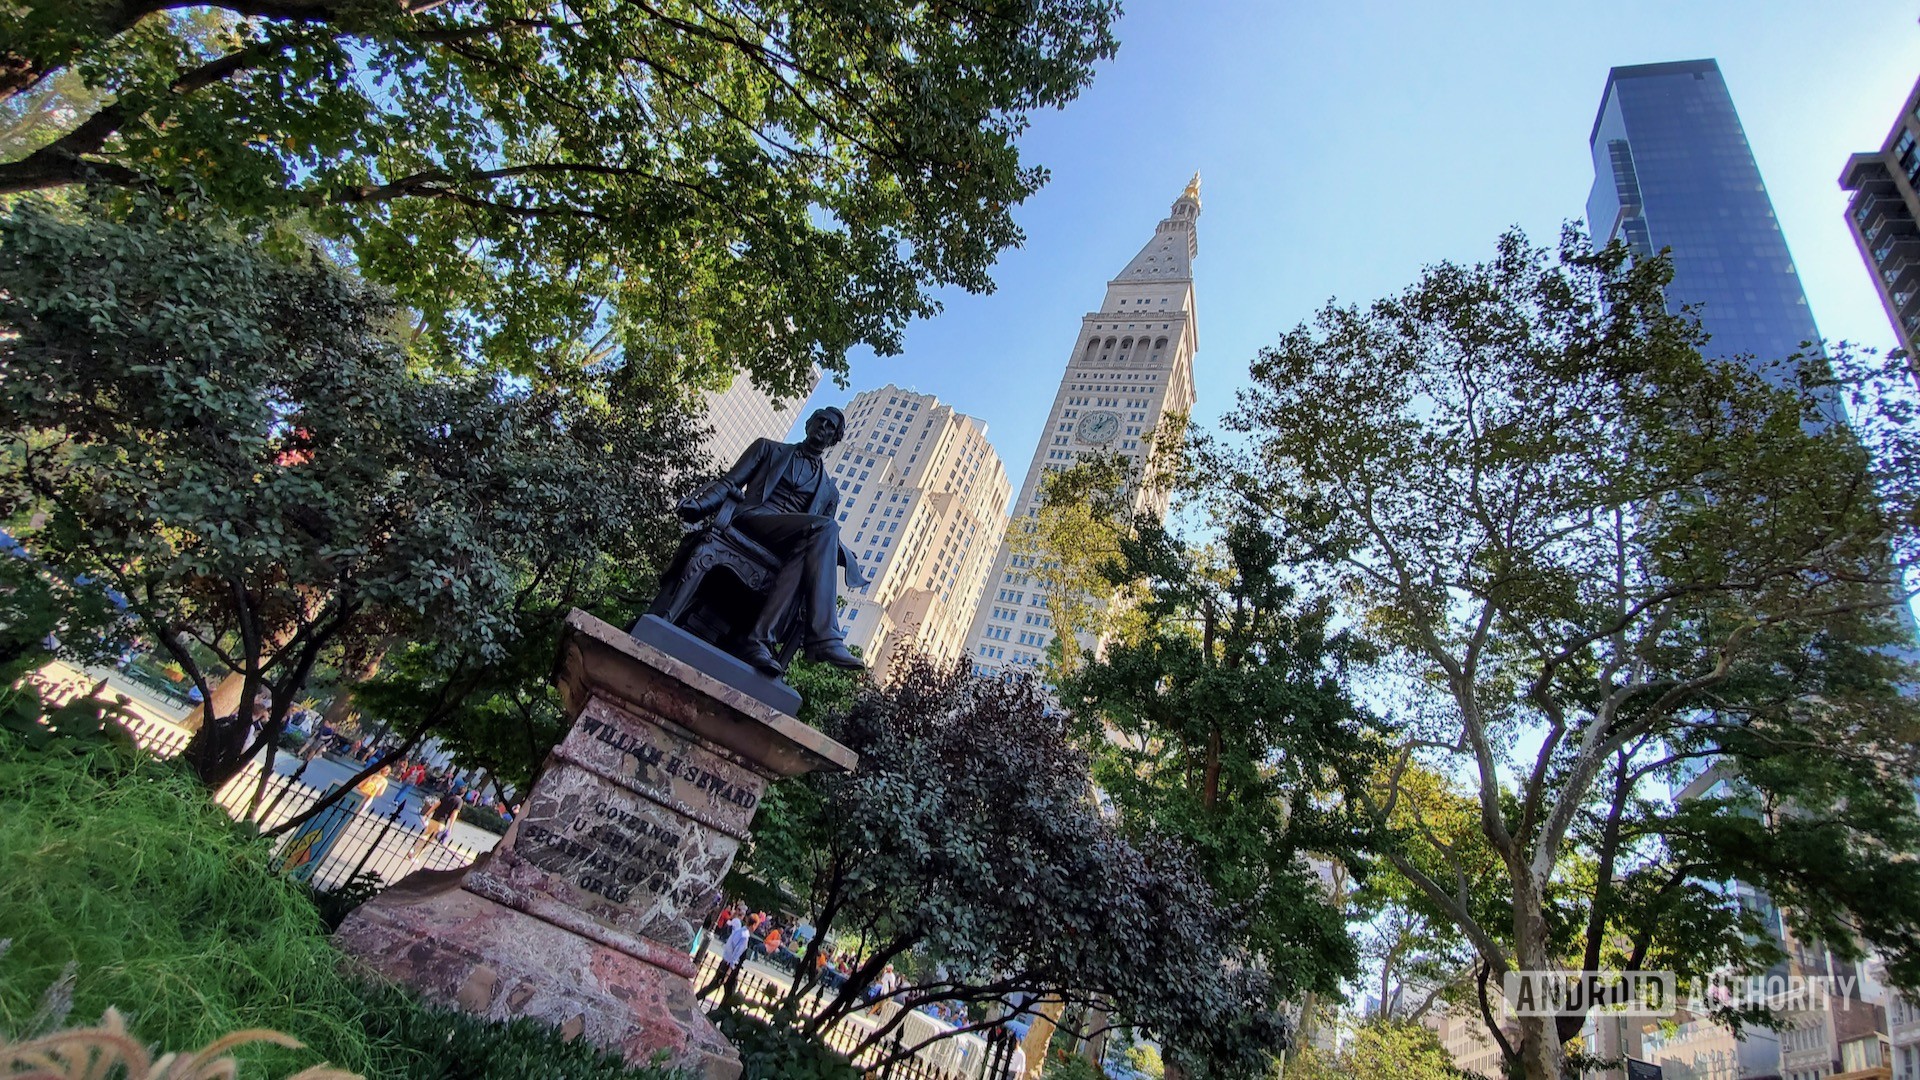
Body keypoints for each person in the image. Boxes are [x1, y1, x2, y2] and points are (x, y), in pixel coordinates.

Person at [671, 407, 870, 674]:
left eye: (830, 427)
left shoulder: (830, 492)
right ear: (808, 424)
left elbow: (820, 537)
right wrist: (700, 505)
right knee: (827, 529)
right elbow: (729, 482)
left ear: (834, 439)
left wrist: (841, 551)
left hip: (788, 544)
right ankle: (825, 637)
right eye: (819, 421)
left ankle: (759, 641)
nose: (823, 428)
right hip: (753, 519)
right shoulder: (767, 449)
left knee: (809, 551)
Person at [698, 914, 753, 1001]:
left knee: (728, 991)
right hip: (730, 965)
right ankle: (696, 997)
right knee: (716, 986)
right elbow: (737, 953)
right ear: (753, 925)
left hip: (727, 962)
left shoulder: (739, 931)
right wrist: (729, 970)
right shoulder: (744, 936)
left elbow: (729, 946)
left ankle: (724, 1008)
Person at [409, 791, 461, 862]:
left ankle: (413, 848)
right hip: (442, 822)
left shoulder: (447, 796)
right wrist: (450, 827)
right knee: (429, 840)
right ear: (463, 794)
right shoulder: (459, 801)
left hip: (434, 819)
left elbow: (436, 805)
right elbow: (454, 815)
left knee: (425, 834)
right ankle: (415, 856)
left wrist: (427, 814)